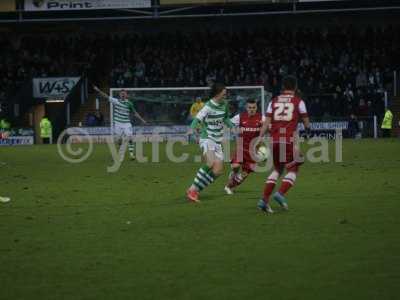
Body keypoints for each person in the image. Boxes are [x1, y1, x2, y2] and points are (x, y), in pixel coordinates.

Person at [257, 75, 311, 214]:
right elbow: (306, 123)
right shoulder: (299, 102)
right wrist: (307, 131)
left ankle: (264, 200)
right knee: (294, 168)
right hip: (288, 140)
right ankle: (280, 194)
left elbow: (266, 123)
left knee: (277, 169)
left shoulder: (273, 101)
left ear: (283, 87)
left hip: (274, 141)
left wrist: (259, 138)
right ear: (295, 87)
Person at [186, 83, 234, 203]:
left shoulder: (225, 104)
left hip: (217, 141)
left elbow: (226, 118)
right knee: (210, 162)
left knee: (218, 171)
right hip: (207, 137)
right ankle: (192, 190)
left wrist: (232, 127)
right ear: (218, 93)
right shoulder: (208, 106)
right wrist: (191, 129)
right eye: (224, 93)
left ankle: (196, 190)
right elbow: (197, 119)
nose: (225, 95)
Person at [93, 86, 147, 160]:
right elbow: (106, 96)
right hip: (118, 124)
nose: (123, 95)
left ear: (126, 95)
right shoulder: (116, 101)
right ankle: (119, 149)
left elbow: (135, 113)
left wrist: (142, 120)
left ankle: (132, 155)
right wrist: (98, 90)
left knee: (130, 137)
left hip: (127, 123)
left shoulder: (129, 103)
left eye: (124, 93)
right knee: (118, 140)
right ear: (119, 95)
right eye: (122, 93)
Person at [224, 99, 264, 194]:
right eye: (250, 107)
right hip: (241, 147)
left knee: (245, 173)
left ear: (256, 107)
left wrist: (265, 128)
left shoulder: (262, 118)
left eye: (253, 107)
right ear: (246, 108)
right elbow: (228, 124)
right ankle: (234, 173)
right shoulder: (240, 117)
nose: (252, 109)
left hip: (253, 150)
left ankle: (229, 186)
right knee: (235, 166)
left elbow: (270, 127)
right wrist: (235, 131)